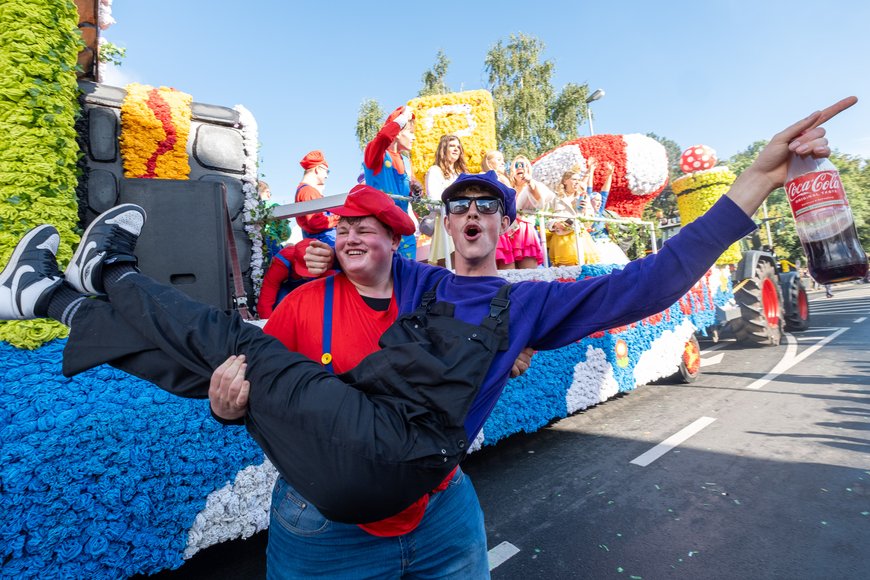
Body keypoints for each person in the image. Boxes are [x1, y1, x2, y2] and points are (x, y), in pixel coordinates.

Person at [0, 97, 855, 572]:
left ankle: (103, 272)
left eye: (490, 206)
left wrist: (752, 184)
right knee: (227, 358)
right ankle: (56, 297)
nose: (475, 214)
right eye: (460, 206)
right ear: (441, 227)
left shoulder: (529, 302)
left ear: (505, 225)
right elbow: (366, 220)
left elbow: (652, 281)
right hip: (333, 510)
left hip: (429, 494)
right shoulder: (412, 279)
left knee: (238, 347)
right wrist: (234, 400)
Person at [363, 105, 419, 259]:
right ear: (398, 133)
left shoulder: (405, 161)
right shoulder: (376, 154)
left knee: (408, 277)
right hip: (381, 229)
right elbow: (383, 137)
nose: (414, 138)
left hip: (404, 232)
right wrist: (403, 118)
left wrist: (415, 191)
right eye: (411, 132)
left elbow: (405, 195)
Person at [495, 155, 548, 269]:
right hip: (506, 231)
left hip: (525, 231)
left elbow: (538, 199)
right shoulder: (507, 186)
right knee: (508, 274)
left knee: (528, 274)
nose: (520, 168)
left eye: (523, 165)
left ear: (528, 169)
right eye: (517, 165)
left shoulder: (532, 186)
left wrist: (530, 182)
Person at [425, 134, 468, 266]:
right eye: (451, 146)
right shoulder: (434, 171)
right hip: (445, 223)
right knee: (449, 265)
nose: (456, 149)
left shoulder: (461, 174)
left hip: (464, 223)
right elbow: (433, 203)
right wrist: (457, 207)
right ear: (443, 149)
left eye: (458, 147)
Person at [586, 160, 631, 264]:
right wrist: (591, 170)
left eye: (599, 201)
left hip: (606, 243)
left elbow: (605, 192)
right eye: (595, 200)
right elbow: (589, 189)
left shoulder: (600, 211)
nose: (598, 203)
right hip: (592, 244)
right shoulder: (587, 212)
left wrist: (610, 174)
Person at [294, 150, 337, 247]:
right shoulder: (308, 191)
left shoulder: (304, 190)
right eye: (327, 171)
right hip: (325, 242)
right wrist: (340, 217)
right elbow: (315, 222)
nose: (327, 176)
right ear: (318, 170)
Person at [258, 180, 292, 261]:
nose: (269, 195)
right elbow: (284, 231)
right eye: (268, 192)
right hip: (272, 240)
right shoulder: (274, 207)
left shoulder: (251, 208)